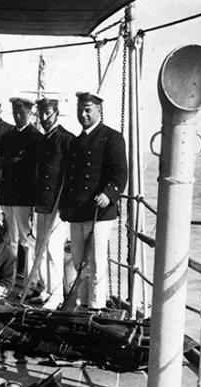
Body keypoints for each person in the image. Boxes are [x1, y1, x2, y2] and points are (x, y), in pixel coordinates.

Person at [59, 91, 127, 309]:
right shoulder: (76, 142)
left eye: (88, 110)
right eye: (80, 109)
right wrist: (65, 207)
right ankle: (81, 304)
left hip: (100, 212)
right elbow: (69, 179)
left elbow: (120, 173)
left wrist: (109, 193)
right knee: (79, 263)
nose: (83, 114)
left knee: (96, 262)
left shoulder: (112, 137)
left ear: (99, 110)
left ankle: (96, 306)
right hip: (77, 212)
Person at [31, 98, 75, 308]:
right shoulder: (42, 140)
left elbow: (71, 176)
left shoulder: (66, 139)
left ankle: (57, 295)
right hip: (43, 202)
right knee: (40, 246)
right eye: (42, 113)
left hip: (58, 205)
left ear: (56, 113)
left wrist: (64, 203)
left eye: (48, 113)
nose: (45, 118)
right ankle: (46, 288)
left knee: (52, 249)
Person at [0, 97, 43, 278]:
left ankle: (30, 276)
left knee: (26, 237)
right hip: (7, 193)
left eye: (21, 112)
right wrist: (15, 161)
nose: (17, 116)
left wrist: (15, 162)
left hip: (24, 194)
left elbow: (35, 167)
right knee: (8, 237)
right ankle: (10, 274)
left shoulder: (36, 137)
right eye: (15, 112)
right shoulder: (8, 136)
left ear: (29, 113)